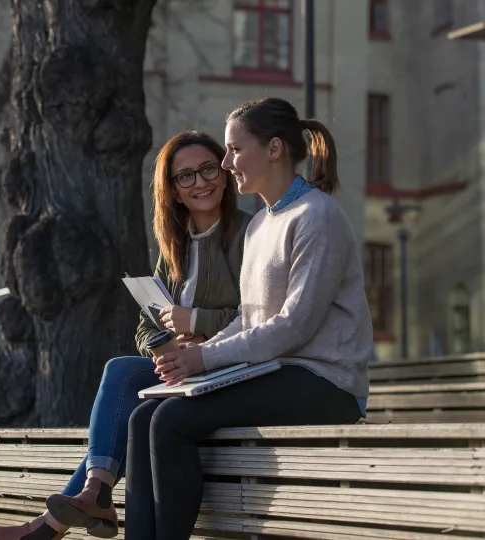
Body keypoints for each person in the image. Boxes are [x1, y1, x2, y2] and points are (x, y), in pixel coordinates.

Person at [0, 131, 254, 540]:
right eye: (185, 176)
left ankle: (56, 523)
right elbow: (148, 324)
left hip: (229, 368)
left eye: (208, 169)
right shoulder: (174, 248)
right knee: (122, 373)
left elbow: (257, 315)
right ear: (171, 190)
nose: (200, 182)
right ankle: (92, 495)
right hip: (183, 371)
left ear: (224, 174)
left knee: (121, 379)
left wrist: (196, 324)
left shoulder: (250, 234)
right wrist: (165, 347)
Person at [124, 98, 371, 540]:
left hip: (324, 382)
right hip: (275, 370)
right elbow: (250, 317)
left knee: (171, 422)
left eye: (235, 149)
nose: (226, 162)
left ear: (274, 148)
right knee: (145, 417)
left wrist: (206, 359)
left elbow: (295, 326)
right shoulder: (260, 225)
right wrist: (199, 355)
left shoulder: (318, 216)